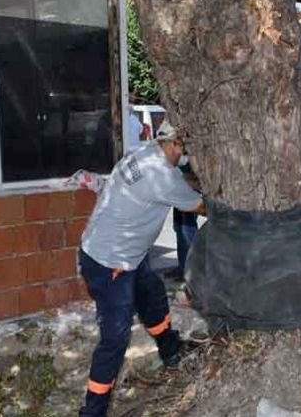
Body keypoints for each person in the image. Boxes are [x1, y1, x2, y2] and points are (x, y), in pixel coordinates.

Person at [77, 120, 205, 417]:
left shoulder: (145, 152)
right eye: (187, 147)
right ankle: (92, 411)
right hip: (111, 263)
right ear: (176, 144)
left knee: (153, 294)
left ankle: (170, 351)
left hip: (115, 254)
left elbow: (176, 182)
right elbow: (201, 207)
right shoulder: (163, 177)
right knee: (115, 338)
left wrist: (193, 182)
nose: (189, 154)